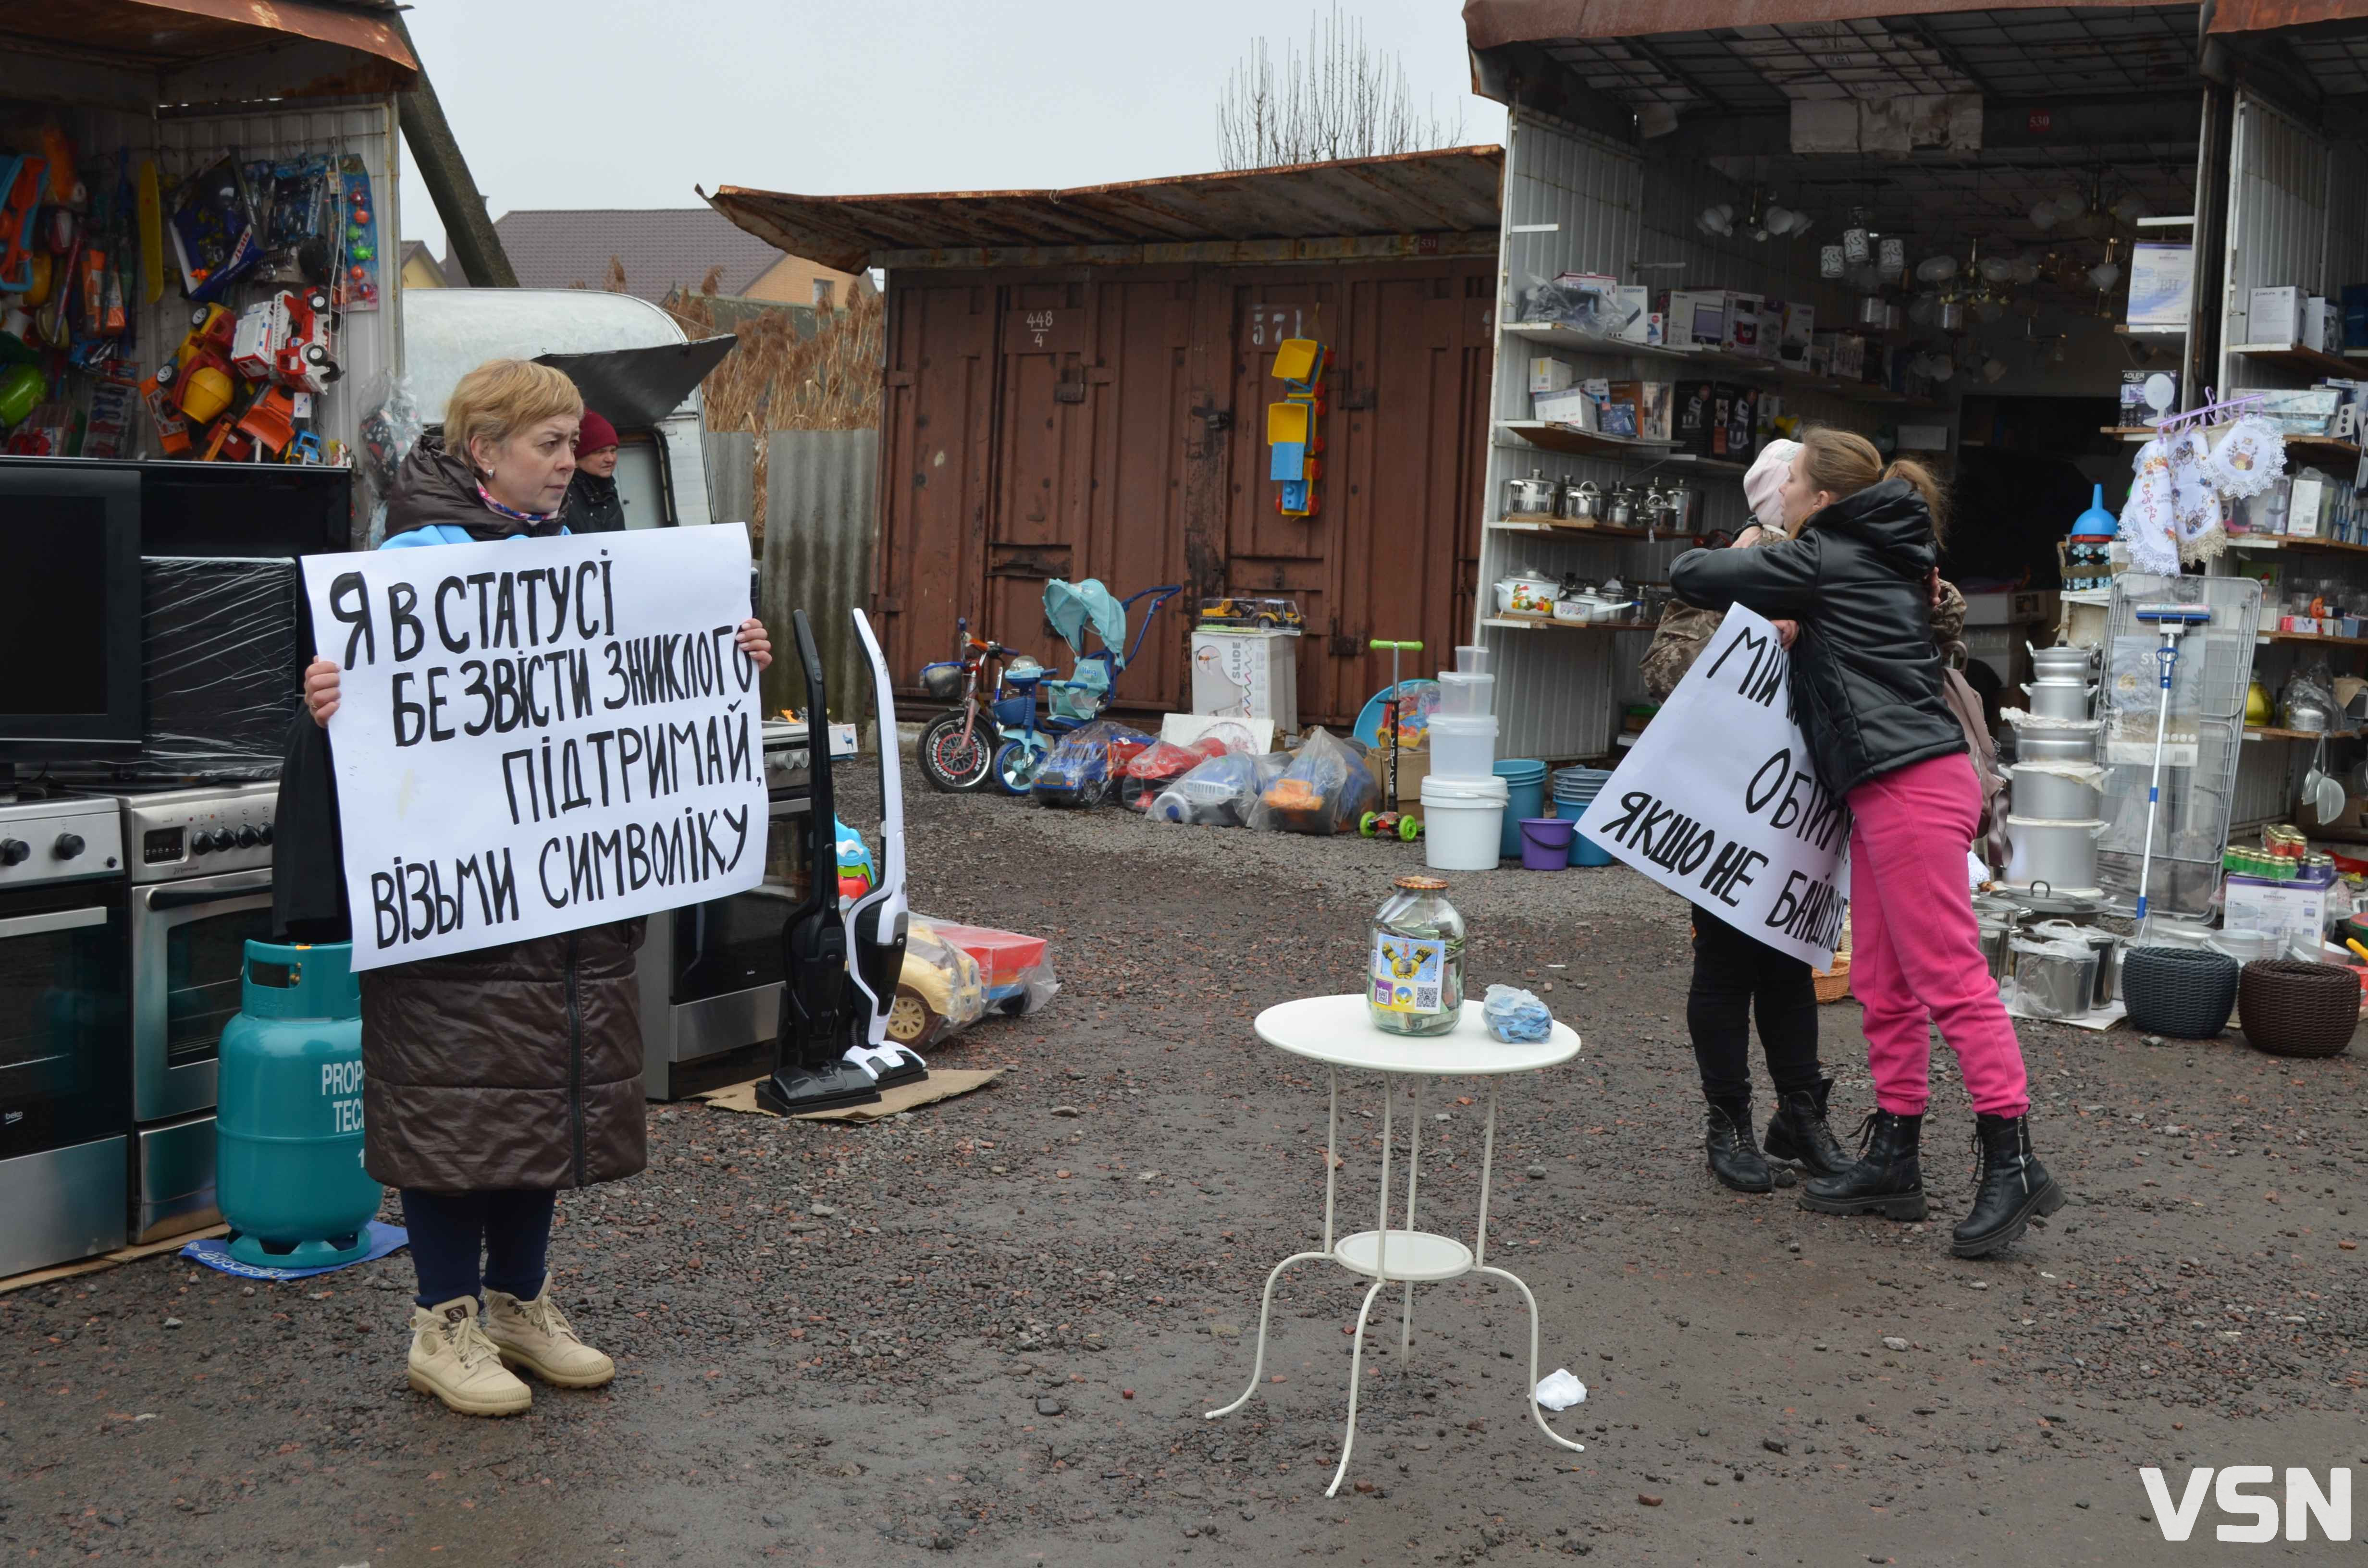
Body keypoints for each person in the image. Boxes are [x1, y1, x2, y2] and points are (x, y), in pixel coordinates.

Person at [298, 359, 775, 1414]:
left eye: (572, 445)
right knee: (452, 1105)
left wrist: (728, 654)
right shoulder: (407, 566)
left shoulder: (579, 560)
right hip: (457, 914)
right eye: (549, 445)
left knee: (540, 1102)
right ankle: (442, 1324)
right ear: (484, 451)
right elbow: (365, 717)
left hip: (561, 912)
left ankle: (518, 1302)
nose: (570, 463)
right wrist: (331, 697)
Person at [1667, 427, 2064, 1259]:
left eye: (1792, 489)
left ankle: (2013, 1158)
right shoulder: (1887, 552)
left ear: (1817, 501)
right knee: (1885, 981)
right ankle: (1894, 1156)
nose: (1784, 503)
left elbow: (1688, 575)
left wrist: (1746, 544)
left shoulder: (1824, 558)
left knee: (1952, 979)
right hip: (1897, 782)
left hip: (1910, 782)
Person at [1641, 440, 1842, 1192]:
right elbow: (1666, 673)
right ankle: (1727, 1123)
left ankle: (1800, 1114)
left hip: (1808, 798)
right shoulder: (1730, 572)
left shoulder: (1845, 570)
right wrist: (1751, 622)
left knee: (1791, 959)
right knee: (1726, 961)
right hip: (1730, 802)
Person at [562, 408, 628, 534]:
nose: (610, 459)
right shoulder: (562, 496)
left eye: (613, 450)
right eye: (600, 452)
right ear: (577, 457)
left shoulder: (608, 491)